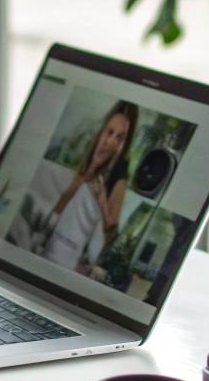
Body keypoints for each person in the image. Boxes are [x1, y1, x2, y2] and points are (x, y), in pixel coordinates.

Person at [34, 101, 137, 273]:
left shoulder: (117, 181)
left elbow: (110, 232)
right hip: (46, 255)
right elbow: (59, 208)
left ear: (123, 145)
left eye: (119, 137)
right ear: (101, 132)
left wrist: (102, 201)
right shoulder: (84, 167)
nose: (110, 141)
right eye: (109, 132)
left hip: (69, 269)